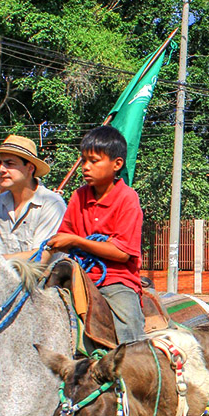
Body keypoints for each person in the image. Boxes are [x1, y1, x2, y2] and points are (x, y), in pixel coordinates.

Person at [47, 126, 145, 343]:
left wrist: (76, 241)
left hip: (116, 280)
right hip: (78, 275)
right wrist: (61, 242)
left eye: (93, 161)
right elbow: (65, 236)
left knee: (128, 322)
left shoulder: (128, 198)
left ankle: (135, 364)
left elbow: (121, 253)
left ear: (117, 164)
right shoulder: (78, 196)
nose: (85, 167)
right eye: (83, 161)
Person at [0, 135, 66, 259]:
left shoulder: (51, 203)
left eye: (10, 163)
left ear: (30, 168)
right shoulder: (1, 201)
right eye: (0, 163)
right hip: (3, 276)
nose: (1, 169)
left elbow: (40, 258)